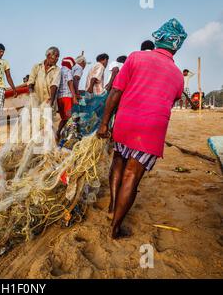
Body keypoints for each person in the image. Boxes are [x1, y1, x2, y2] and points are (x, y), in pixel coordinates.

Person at [97, 18, 187, 239]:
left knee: (118, 160)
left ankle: (111, 205)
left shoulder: (135, 58)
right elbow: (171, 100)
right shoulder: (177, 75)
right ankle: (115, 228)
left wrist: (104, 122)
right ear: (176, 46)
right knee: (132, 176)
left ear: (159, 38)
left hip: (126, 122)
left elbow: (116, 92)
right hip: (151, 130)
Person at [56, 57, 76, 139]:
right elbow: (70, 82)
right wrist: (74, 96)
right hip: (67, 97)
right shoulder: (68, 71)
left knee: (64, 118)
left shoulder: (58, 71)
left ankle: (58, 132)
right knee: (70, 117)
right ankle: (69, 136)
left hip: (59, 98)